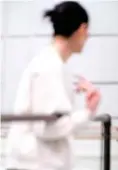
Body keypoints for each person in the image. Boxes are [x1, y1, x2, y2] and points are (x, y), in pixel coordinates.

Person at [5, 1, 100, 170]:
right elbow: (49, 128)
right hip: (35, 164)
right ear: (82, 29)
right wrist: (88, 112)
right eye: (87, 32)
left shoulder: (51, 64)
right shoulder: (49, 67)